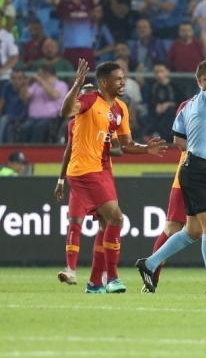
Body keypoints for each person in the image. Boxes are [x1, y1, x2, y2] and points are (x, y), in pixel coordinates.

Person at [136, 22, 206, 294]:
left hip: (197, 167)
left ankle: (149, 263)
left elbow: (179, 137)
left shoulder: (192, 106)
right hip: (199, 168)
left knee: (193, 230)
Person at [60, 59, 167, 294]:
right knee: (116, 219)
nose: (123, 82)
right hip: (84, 170)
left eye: (123, 78)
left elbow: (126, 145)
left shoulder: (120, 108)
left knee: (106, 224)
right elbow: (66, 111)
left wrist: (146, 149)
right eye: (118, 79)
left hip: (103, 170)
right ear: (104, 82)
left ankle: (94, 283)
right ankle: (112, 278)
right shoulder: (90, 100)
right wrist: (77, 84)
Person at [55, 83, 123, 286]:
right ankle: (72, 270)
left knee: (108, 222)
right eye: (82, 97)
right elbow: (69, 150)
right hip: (80, 176)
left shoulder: (107, 117)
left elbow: (119, 149)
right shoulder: (73, 124)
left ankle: (103, 276)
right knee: (75, 221)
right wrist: (60, 179)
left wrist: (100, 145)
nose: (84, 102)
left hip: (100, 176)